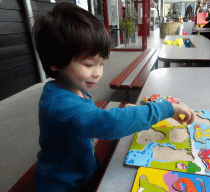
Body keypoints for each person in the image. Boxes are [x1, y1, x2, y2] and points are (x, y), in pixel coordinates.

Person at [33, 2, 195, 192]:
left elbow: (90, 118)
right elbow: (109, 124)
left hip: (84, 170)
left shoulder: (72, 89)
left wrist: (123, 112)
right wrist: (166, 108)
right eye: (88, 64)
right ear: (55, 62)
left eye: (101, 63)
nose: (98, 73)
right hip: (63, 185)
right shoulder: (59, 104)